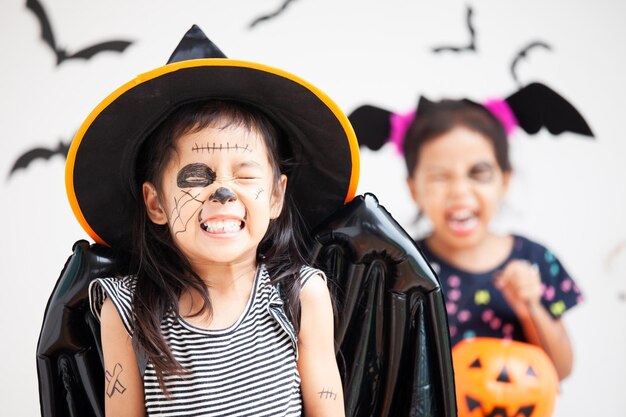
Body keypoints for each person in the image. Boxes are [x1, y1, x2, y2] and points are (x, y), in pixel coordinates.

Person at [66, 26, 358, 416]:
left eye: (245, 174)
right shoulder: (125, 308)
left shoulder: (302, 296)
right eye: (196, 177)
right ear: (156, 204)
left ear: (275, 196)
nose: (223, 192)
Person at [350, 95, 585, 381]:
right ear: (413, 189)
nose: (460, 191)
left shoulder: (535, 259)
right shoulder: (403, 269)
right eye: (439, 177)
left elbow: (560, 370)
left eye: (479, 174)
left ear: (504, 181)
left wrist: (530, 307)